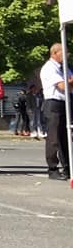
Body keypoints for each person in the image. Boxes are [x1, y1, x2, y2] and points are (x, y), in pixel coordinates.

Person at [39, 43, 73, 180]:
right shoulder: (49, 68)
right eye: (64, 52)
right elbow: (63, 86)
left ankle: (68, 167)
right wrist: (69, 82)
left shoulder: (64, 68)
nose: (67, 55)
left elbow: (69, 86)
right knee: (54, 137)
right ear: (54, 53)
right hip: (53, 103)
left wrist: (70, 82)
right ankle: (52, 168)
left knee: (65, 137)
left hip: (65, 102)